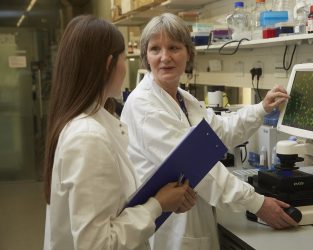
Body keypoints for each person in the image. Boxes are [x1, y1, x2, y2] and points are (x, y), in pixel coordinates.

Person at [121, 13, 298, 250]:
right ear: (146, 57)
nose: (165, 57)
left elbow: (220, 131)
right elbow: (196, 166)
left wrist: (261, 108)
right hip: (170, 229)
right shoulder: (144, 105)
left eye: (174, 47)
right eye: (155, 49)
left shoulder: (183, 99)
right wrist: (257, 203)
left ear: (188, 54)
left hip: (191, 219)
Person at [43, 15, 196, 250]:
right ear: (108, 64)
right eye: (125, 57)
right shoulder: (88, 138)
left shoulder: (95, 123)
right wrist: (156, 205)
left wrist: (164, 199)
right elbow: (97, 244)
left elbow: (112, 208)